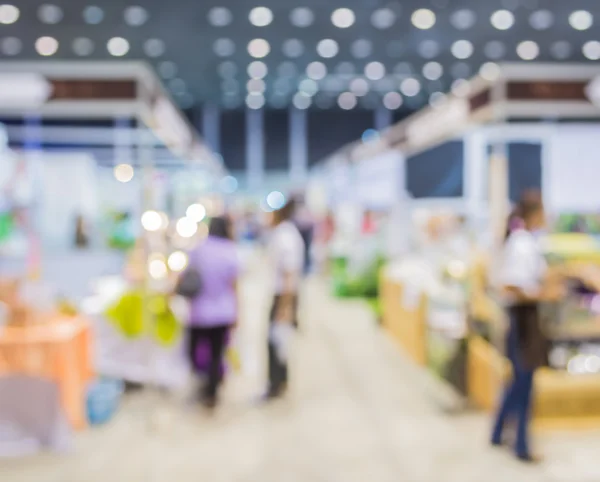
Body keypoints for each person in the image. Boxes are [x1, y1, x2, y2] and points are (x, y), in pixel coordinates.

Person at [491, 196, 562, 462]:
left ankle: (498, 433)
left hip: (523, 320)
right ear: (536, 213)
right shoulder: (521, 243)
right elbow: (510, 287)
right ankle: (520, 445)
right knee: (523, 383)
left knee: (519, 381)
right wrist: (545, 295)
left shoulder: (526, 242)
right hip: (523, 320)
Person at [184, 216, 239, 408]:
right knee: (216, 355)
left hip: (198, 312)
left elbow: (186, 274)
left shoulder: (199, 249)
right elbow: (234, 286)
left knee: (194, 351)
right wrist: (238, 313)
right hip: (223, 312)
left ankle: (203, 384)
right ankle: (212, 393)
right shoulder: (230, 251)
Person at [265, 199, 305, 399]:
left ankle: (277, 384)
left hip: (284, 295)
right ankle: (278, 381)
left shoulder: (285, 235)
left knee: (277, 342)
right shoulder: (285, 233)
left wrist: (286, 306)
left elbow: (290, 271)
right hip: (284, 294)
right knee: (278, 341)